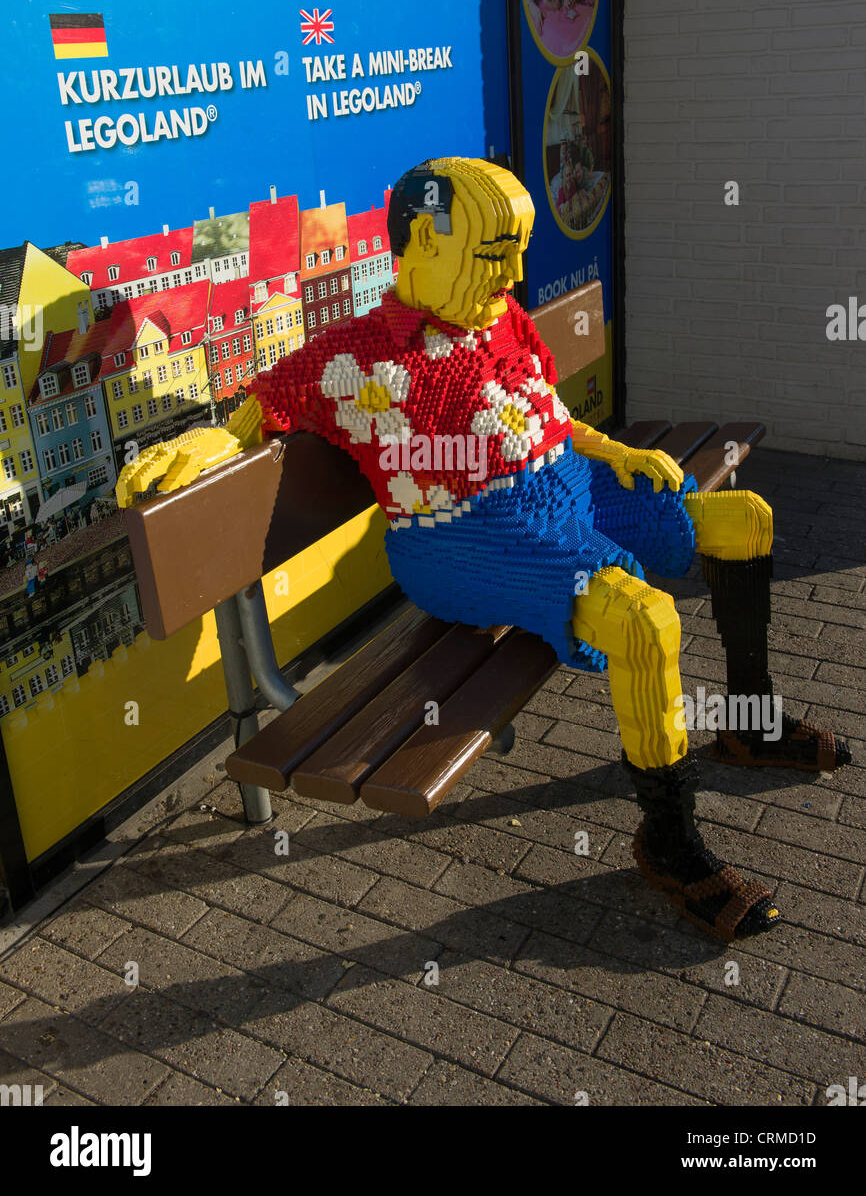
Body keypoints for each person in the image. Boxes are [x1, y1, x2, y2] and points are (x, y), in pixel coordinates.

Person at [116, 157, 850, 944]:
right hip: (463, 533)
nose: (514, 272)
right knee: (643, 619)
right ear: (424, 242)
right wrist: (206, 447)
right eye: (494, 251)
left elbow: (547, 409)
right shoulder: (356, 357)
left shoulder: (501, 314)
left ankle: (751, 720)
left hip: (565, 484)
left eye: (516, 251)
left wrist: (612, 451)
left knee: (746, 516)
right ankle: (667, 840)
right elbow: (259, 408)